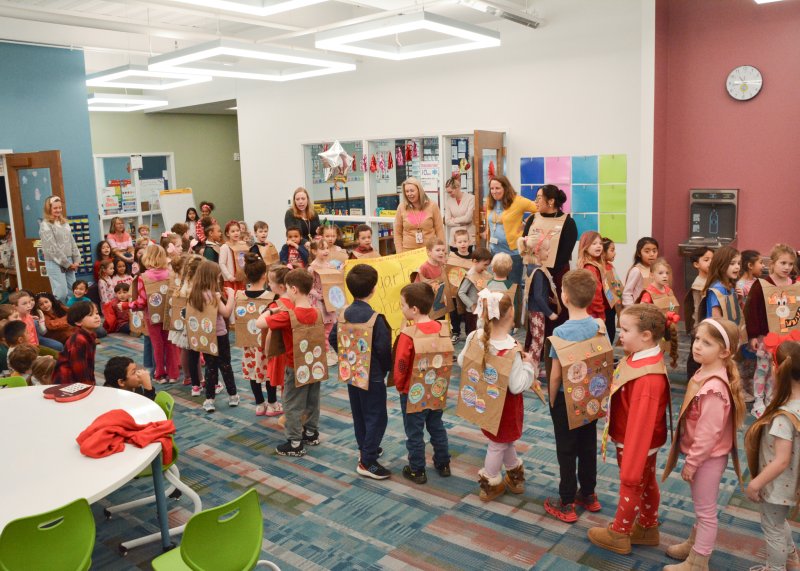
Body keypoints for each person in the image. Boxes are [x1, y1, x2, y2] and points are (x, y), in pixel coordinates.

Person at [661, 318, 745, 571]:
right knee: (701, 506)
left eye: (706, 343)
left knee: (706, 511)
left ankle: (699, 561)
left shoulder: (714, 389)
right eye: (697, 339)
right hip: (702, 456)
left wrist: (693, 462)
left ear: (724, 352)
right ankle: (694, 544)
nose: (697, 345)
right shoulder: (704, 372)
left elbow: (709, 433)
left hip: (707, 458)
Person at [587, 304, 670, 555]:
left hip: (635, 442)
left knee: (632, 482)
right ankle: (647, 526)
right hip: (637, 438)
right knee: (647, 481)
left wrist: (631, 466)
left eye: (625, 330)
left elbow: (641, 424)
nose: (620, 335)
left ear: (645, 335)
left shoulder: (648, 379)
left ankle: (619, 533)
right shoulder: (640, 356)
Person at [458, 291, 535, 501]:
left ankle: (514, 473)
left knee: (503, 441)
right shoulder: (511, 349)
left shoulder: (475, 336)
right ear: (511, 314)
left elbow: (462, 362)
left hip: (486, 402)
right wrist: (529, 366)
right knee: (498, 444)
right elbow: (517, 386)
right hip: (506, 409)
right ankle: (490, 483)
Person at [545, 269, 607, 523]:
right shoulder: (599, 326)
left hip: (565, 398)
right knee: (588, 445)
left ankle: (567, 501)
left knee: (567, 450)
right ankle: (589, 494)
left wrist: (551, 399)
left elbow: (556, 375)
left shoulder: (561, 333)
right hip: (591, 396)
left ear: (565, 297)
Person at [329, 264, 392, 479]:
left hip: (351, 372)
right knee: (377, 416)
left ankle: (365, 447)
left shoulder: (343, 315)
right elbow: (384, 350)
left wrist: (347, 356)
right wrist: (384, 369)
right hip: (372, 376)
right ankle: (367, 461)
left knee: (359, 413)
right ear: (373, 289)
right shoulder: (376, 319)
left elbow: (332, 338)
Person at [744, 340, 800, 571]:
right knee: (778, 521)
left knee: (772, 528)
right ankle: (792, 559)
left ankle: (775, 568)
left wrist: (755, 483)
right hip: (791, 483)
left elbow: (781, 460)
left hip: (777, 485)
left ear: (777, 370)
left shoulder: (783, 416)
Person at [392, 282, 452, 484]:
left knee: (414, 432)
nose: (401, 308)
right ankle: (443, 463)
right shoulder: (442, 328)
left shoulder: (408, 334)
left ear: (414, 309)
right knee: (437, 426)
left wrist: (400, 386)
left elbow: (401, 365)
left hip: (413, 392)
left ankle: (417, 469)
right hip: (436, 389)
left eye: (403, 305)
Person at [263, 269, 323, 457]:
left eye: (288, 289)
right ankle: (311, 433)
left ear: (294, 289)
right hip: (314, 365)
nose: (287, 292)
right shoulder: (317, 311)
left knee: (292, 404)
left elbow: (259, 323)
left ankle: (295, 443)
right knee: (312, 400)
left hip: (295, 366)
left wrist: (272, 311)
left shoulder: (288, 315)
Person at [746, 244, 799, 418]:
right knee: (763, 369)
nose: (787, 267)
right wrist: (753, 335)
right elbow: (752, 311)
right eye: (783, 263)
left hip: (787, 338)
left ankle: (771, 399)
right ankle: (758, 400)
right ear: (772, 263)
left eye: (790, 264)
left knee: (778, 370)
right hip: (765, 337)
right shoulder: (761, 285)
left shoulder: (795, 285)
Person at [522, 184, 576, 337]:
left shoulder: (568, 222)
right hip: (535, 273)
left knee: (558, 310)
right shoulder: (532, 219)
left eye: (539, 198)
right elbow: (525, 244)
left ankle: (558, 344)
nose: (535, 201)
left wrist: (548, 272)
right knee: (537, 313)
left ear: (551, 201)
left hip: (557, 275)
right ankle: (538, 346)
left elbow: (565, 252)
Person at [188, 260, 238, 413]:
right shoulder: (213, 296)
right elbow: (226, 312)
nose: (218, 280)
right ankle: (233, 395)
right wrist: (231, 296)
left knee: (210, 368)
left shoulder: (194, 294)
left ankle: (209, 399)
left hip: (205, 336)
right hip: (220, 335)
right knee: (225, 365)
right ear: (211, 278)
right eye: (217, 278)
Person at [485, 176, 537, 320]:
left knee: (514, 286)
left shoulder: (517, 201)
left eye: (497, 188)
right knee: (498, 285)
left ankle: (514, 320)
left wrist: (525, 222)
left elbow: (537, 209)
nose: (494, 191)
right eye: (492, 188)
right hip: (495, 251)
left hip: (513, 252)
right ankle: (499, 316)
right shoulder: (490, 201)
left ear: (505, 188)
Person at [125, 245, 180, 383]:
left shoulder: (143, 278)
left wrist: (126, 305)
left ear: (147, 258)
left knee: (157, 345)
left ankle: (160, 374)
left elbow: (141, 302)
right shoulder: (171, 274)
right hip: (169, 315)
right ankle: (173, 374)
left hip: (152, 317)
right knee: (170, 344)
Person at [240, 254, 281, 416]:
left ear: (246, 275)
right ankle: (272, 403)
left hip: (248, 343)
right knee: (270, 372)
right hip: (267, 343)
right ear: (265, 275)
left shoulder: (239, 296)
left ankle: (259, 404)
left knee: (253, 373)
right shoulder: (272, 297)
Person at [518, 235, 559, 367]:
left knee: (537, 339)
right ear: (537, 252)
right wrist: (549, 313)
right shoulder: (538, 271)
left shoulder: (531, 267)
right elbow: (538, 296)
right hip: (537, 312)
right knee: (537, 341)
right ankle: (531, 368)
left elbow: (536, 292)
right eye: (546, 249)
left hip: (533, 310)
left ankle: (532, 367)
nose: (549, 252)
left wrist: (549, 299)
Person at [639, 257, 680, 368]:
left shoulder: (668, 291)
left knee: (662, 351)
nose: (665, 276)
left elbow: (672, 306)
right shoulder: (648, 294)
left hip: (666, 330)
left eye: (667, 273)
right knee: (652, 354)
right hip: (653, 332)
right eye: (661, 273)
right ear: (652, 275)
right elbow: (642, 314)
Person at [39, 196, 81, 303]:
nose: (58, 210)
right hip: (55, 262)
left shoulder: (64, 223)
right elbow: (52, 248)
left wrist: (77, 260)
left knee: (73, 290)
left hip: (69, 261)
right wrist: (67, 264)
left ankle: (71, 311)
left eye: (60, 207)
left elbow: (72, 242)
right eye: (55, 208)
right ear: (49, 209)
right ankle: (60, 311)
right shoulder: (45, 225)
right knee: (61, 293)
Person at [52, 301, 103, 384]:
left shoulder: (90, 335)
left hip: (77, 380)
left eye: (97, 313)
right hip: (67, 382)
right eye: (90, 315)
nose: (97, 317)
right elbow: (80, 370)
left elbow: (88, 365)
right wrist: (89, 385)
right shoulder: (79, 341)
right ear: (78, 322)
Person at [684, 246, 714, 381]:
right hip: (699, 326)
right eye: (706, 260)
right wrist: (698, 328)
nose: (711, 262)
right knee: (695, 356)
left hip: (706, 324)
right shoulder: (699, 284)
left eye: (713, 259)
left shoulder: (711, 280)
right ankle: (692, 381)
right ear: (696, 264)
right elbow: (698, 309)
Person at [737, 249, 763, 404]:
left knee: (753, 359)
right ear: (750, 265)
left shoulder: (758, 282)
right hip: (745, 327)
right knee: (744, 359)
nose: (763, 266)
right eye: (760, 262)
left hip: (756, 325)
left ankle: (749, 386)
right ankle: (741, 388)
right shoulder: (740, 285)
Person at [393, 177, 445, 253]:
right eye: (407, 191)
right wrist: (399, 252)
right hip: (408, 251)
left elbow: (439, 230)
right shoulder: (401, 207)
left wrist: (442, 251)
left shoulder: (432, 206)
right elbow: (397, 233)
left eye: (412, 191)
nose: (409, 194)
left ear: (419, 191)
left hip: (429, 250)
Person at [308, 240, 338, 366]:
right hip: (319, 302)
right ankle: (325, 353)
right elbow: (309, 287)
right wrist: (319, 296)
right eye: (322, 248)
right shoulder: (312, 268)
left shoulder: (330, 265)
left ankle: (331, 351)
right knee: (323, 329)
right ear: (314, 251)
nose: (326, 251)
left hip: (330, 301)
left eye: (327, 248)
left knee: (331, 327)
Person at [457, 247, 493, 337]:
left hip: (481, 310)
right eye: (485, 265)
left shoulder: (483, 273)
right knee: (471, 335)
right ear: (475, 262)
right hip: (472, 311)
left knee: (480, 333)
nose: (486, 268)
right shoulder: (470, 275)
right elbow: (461, 292)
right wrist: (471, 305)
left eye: (487, 265)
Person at [577, 231, 609, 320]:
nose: (599, 246)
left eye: (600, 243)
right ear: (585, 247)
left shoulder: (594, 265)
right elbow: (595, 294)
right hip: (594, 313)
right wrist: (601, 314)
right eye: (594, 244)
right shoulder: (590, 268)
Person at [622, 237, 659, 307]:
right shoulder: (636, 270)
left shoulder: (657, 270)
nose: (652, 254)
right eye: (647, 251)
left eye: (654, 251)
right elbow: (627, 293)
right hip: (639, 310)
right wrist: (631, 309)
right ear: (639, 253)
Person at [443, 174, 475, 246]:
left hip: (468, 236)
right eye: (448, 192)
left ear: (457, 188)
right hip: (454, 237)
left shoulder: (471, 198)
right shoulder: (448, 201)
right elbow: (447, 221)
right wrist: (461, 223)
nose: (450, 194)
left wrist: (454, 219)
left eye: (451, 192)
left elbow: (468, 218)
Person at [602, 238, 623, 344]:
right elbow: (606, 289)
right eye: (612, 250)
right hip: (605, 307)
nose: (615, 253)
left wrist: (618, 298)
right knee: (606, 332)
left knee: (611, 331)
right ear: (603, 252)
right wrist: (613, 299)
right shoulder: (600, 268)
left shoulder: (610, 266)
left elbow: (616, 284)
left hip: (612, 306)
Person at [219, 220, 248, 292]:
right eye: (233, 231)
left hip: (241, 279)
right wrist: (229, 276)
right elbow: (222, 263)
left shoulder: (242, 245)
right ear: (227, 233)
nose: (236, 233)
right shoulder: (225, 247)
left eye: (238, 230)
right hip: (230, 280)